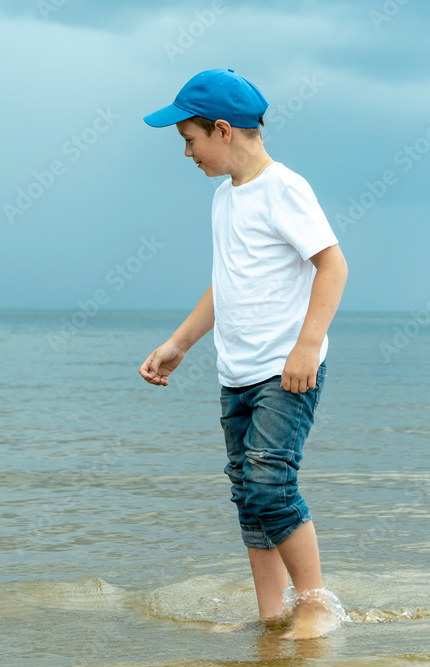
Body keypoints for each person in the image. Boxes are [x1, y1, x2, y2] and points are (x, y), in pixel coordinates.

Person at [138, 68, 348, 640]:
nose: (187, 153)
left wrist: (306, 348)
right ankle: (271, 614)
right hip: (237, 373)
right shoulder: (223, 199)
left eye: (190, 139)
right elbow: (224, 284)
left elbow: (333, 264)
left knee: (270, 485)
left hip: (286, 370)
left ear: (223, 130)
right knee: (247, 495)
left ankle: (315, 603)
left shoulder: (284, 189)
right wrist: (179, 342)